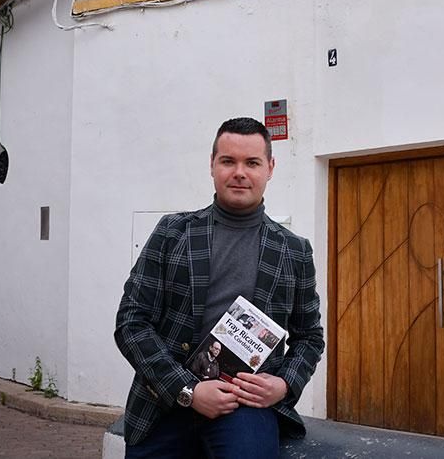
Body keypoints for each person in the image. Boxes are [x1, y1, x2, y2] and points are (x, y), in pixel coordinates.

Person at [115, 117, 324, 459]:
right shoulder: (172, 233)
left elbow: (310, 337)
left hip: (245, 406)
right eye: (228, 161)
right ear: (212, 165)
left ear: (270, 168)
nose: (239, 172)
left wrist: (284, 384)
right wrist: (188, 390)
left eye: (252, 162)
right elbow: (131, 323)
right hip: (164, 402)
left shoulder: (294, 250)